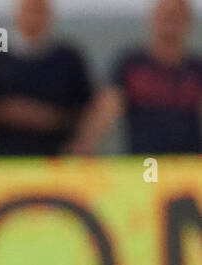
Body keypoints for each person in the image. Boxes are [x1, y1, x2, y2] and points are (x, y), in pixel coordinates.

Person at [68, 0, 202, 155]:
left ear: (188, 22)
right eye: (165, 16)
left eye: (176, 17)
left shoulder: (196, 69)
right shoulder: (131, 64)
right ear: (152, 19)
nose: (169, 22)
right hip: (142, 164)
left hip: (188, 164)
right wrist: (81, 148)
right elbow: (107, 109)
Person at [0, 0, 93, 155]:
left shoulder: (69, 58)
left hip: (58, 160)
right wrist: (5, 112)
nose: (33, 17)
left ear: (50, 15)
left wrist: (48, 118)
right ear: (16, 14)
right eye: (29, 10)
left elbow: (88, 110)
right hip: (6, 161)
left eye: (39, 11)